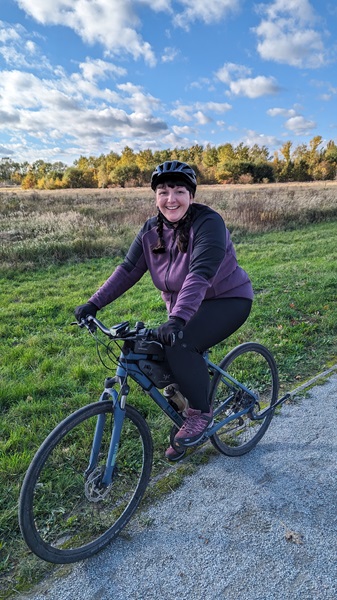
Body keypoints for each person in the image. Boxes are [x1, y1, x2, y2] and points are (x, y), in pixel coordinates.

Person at [75, 160, 253, 460]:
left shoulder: (209, 223)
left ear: (191, 196)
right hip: (184, 306)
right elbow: (129, 269)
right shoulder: (151, 230)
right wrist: (94, 303)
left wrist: (177, 319)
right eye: (163, 191)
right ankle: (186, 419)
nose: (171, 199)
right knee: (152, 354)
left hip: (226, 300)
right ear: (156, 197)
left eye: (179, 191)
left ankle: (200, 415)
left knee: (182, 344)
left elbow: (199, 273)